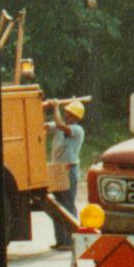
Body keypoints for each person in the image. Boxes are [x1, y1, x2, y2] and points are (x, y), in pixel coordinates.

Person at [49, 99, 85, 250]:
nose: (67, 116)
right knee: (57, 206)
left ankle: (71, 241)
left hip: (69, 169)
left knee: (68, 204)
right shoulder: (60, 126)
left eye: (70, 114)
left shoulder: (77, 130)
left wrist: (55, 107)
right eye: (66, 113)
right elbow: (47, 125)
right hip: (57, 169)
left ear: (76, 117)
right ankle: (61, 241)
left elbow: (59, 125)